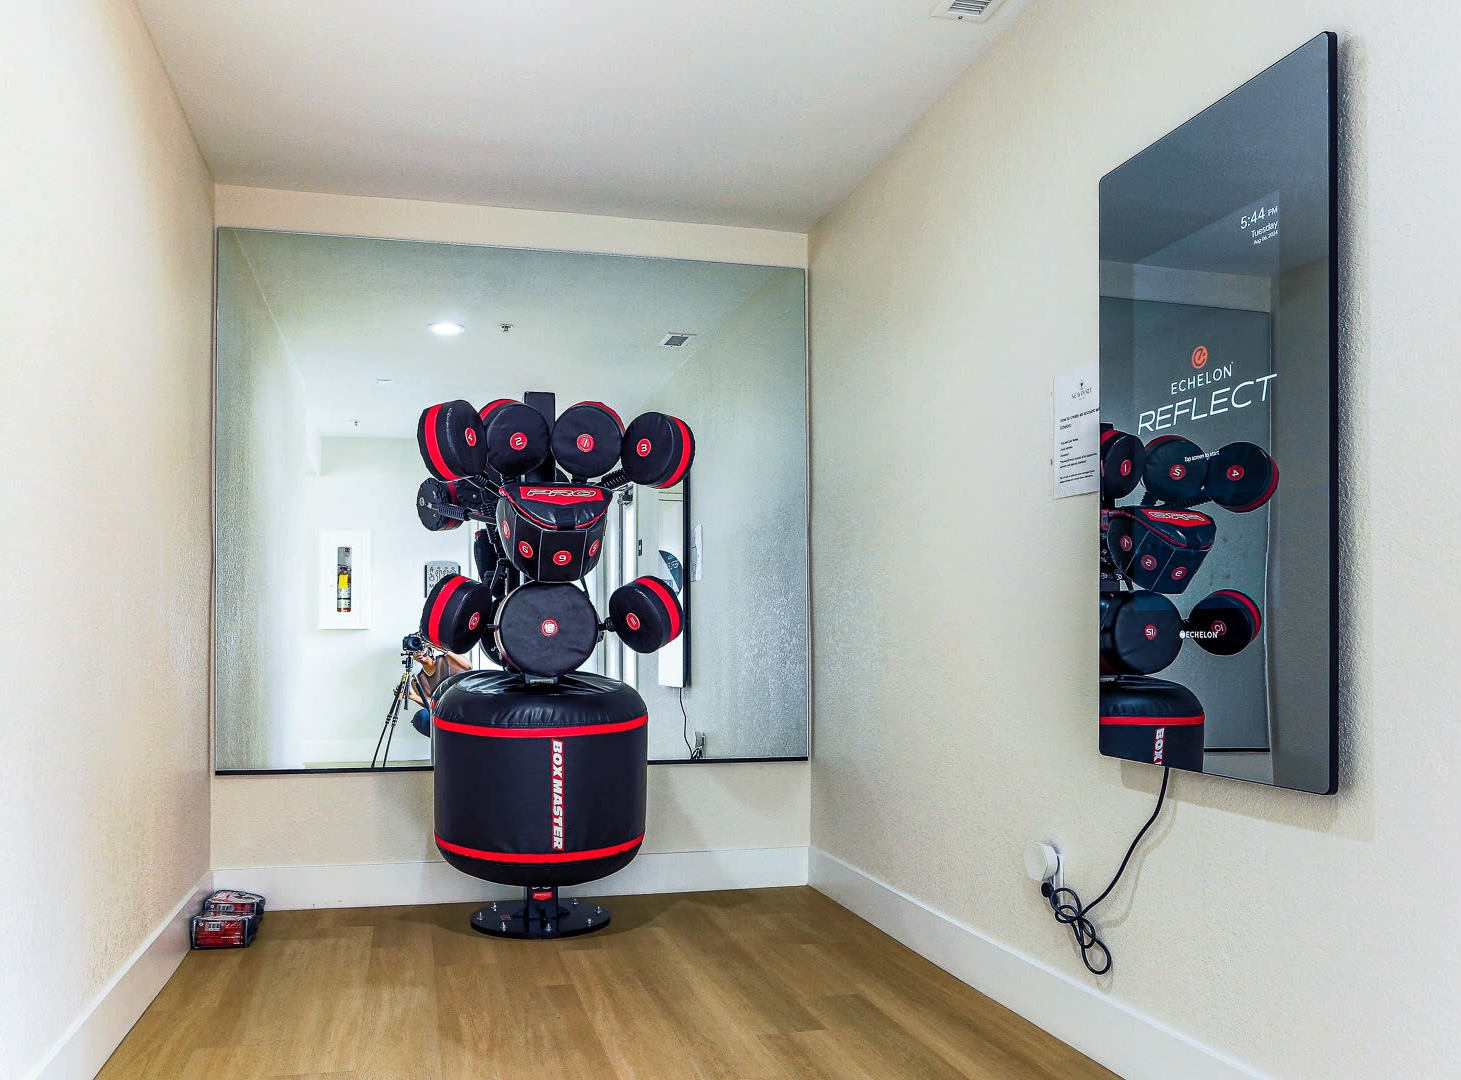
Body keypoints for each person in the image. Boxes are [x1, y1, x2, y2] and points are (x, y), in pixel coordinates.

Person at [408, 648, 472, 737]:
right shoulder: (417, 680)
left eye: (421, 648)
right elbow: (430, 706)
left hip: (463, 706)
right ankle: (443, 740)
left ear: (430, 649)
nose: (419, 652)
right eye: (415, 650)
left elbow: (468, 666)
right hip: (443, 711)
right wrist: (414, 697)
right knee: (421, 717)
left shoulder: (447, 659)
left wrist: (442, 648)